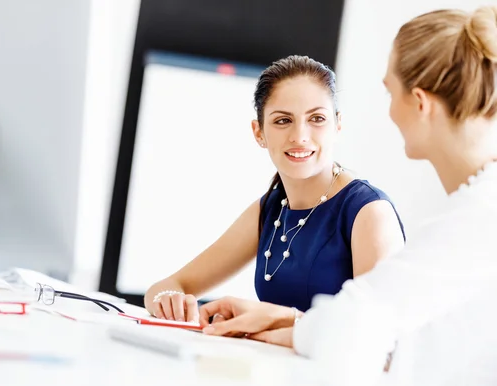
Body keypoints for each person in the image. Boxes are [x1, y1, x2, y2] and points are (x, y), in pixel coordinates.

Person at [198, 5, 497, 386]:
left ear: (420, 103)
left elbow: (360, 329)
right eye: (283, 120)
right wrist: (285, 320)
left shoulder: (476, 219)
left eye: (390, 92)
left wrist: (283, 321)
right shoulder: (474, 211)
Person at [145, 55, 406, 323]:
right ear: (259, 133)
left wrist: (271, 320)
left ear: (337, 125)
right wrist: (168, 301)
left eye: (316, 118)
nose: (300, 136)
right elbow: (166, 287)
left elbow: (380, 335)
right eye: (283, 121)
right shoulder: (271, 209)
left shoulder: (369, 213)